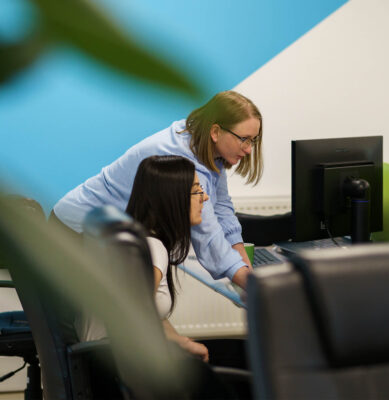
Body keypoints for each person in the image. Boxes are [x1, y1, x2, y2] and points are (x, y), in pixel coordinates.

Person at [52, 90, 263, 289]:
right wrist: (254, 285)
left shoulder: (207, 147)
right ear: (216, 132)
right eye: (244, 139)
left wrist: (247, 270)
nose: (248, 149)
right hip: (75, 229)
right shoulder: (180, 157)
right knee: (111, 316)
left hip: (110, 233)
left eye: (253, 140)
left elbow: (222, 210)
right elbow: (207, 233)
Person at [126, 155, 210, 362]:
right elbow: (132, 316)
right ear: (172, 199)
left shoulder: (137, 238)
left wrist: (182, 342)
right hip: (117, 369)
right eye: (196, 190)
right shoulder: (152, 249)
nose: (204, 197)